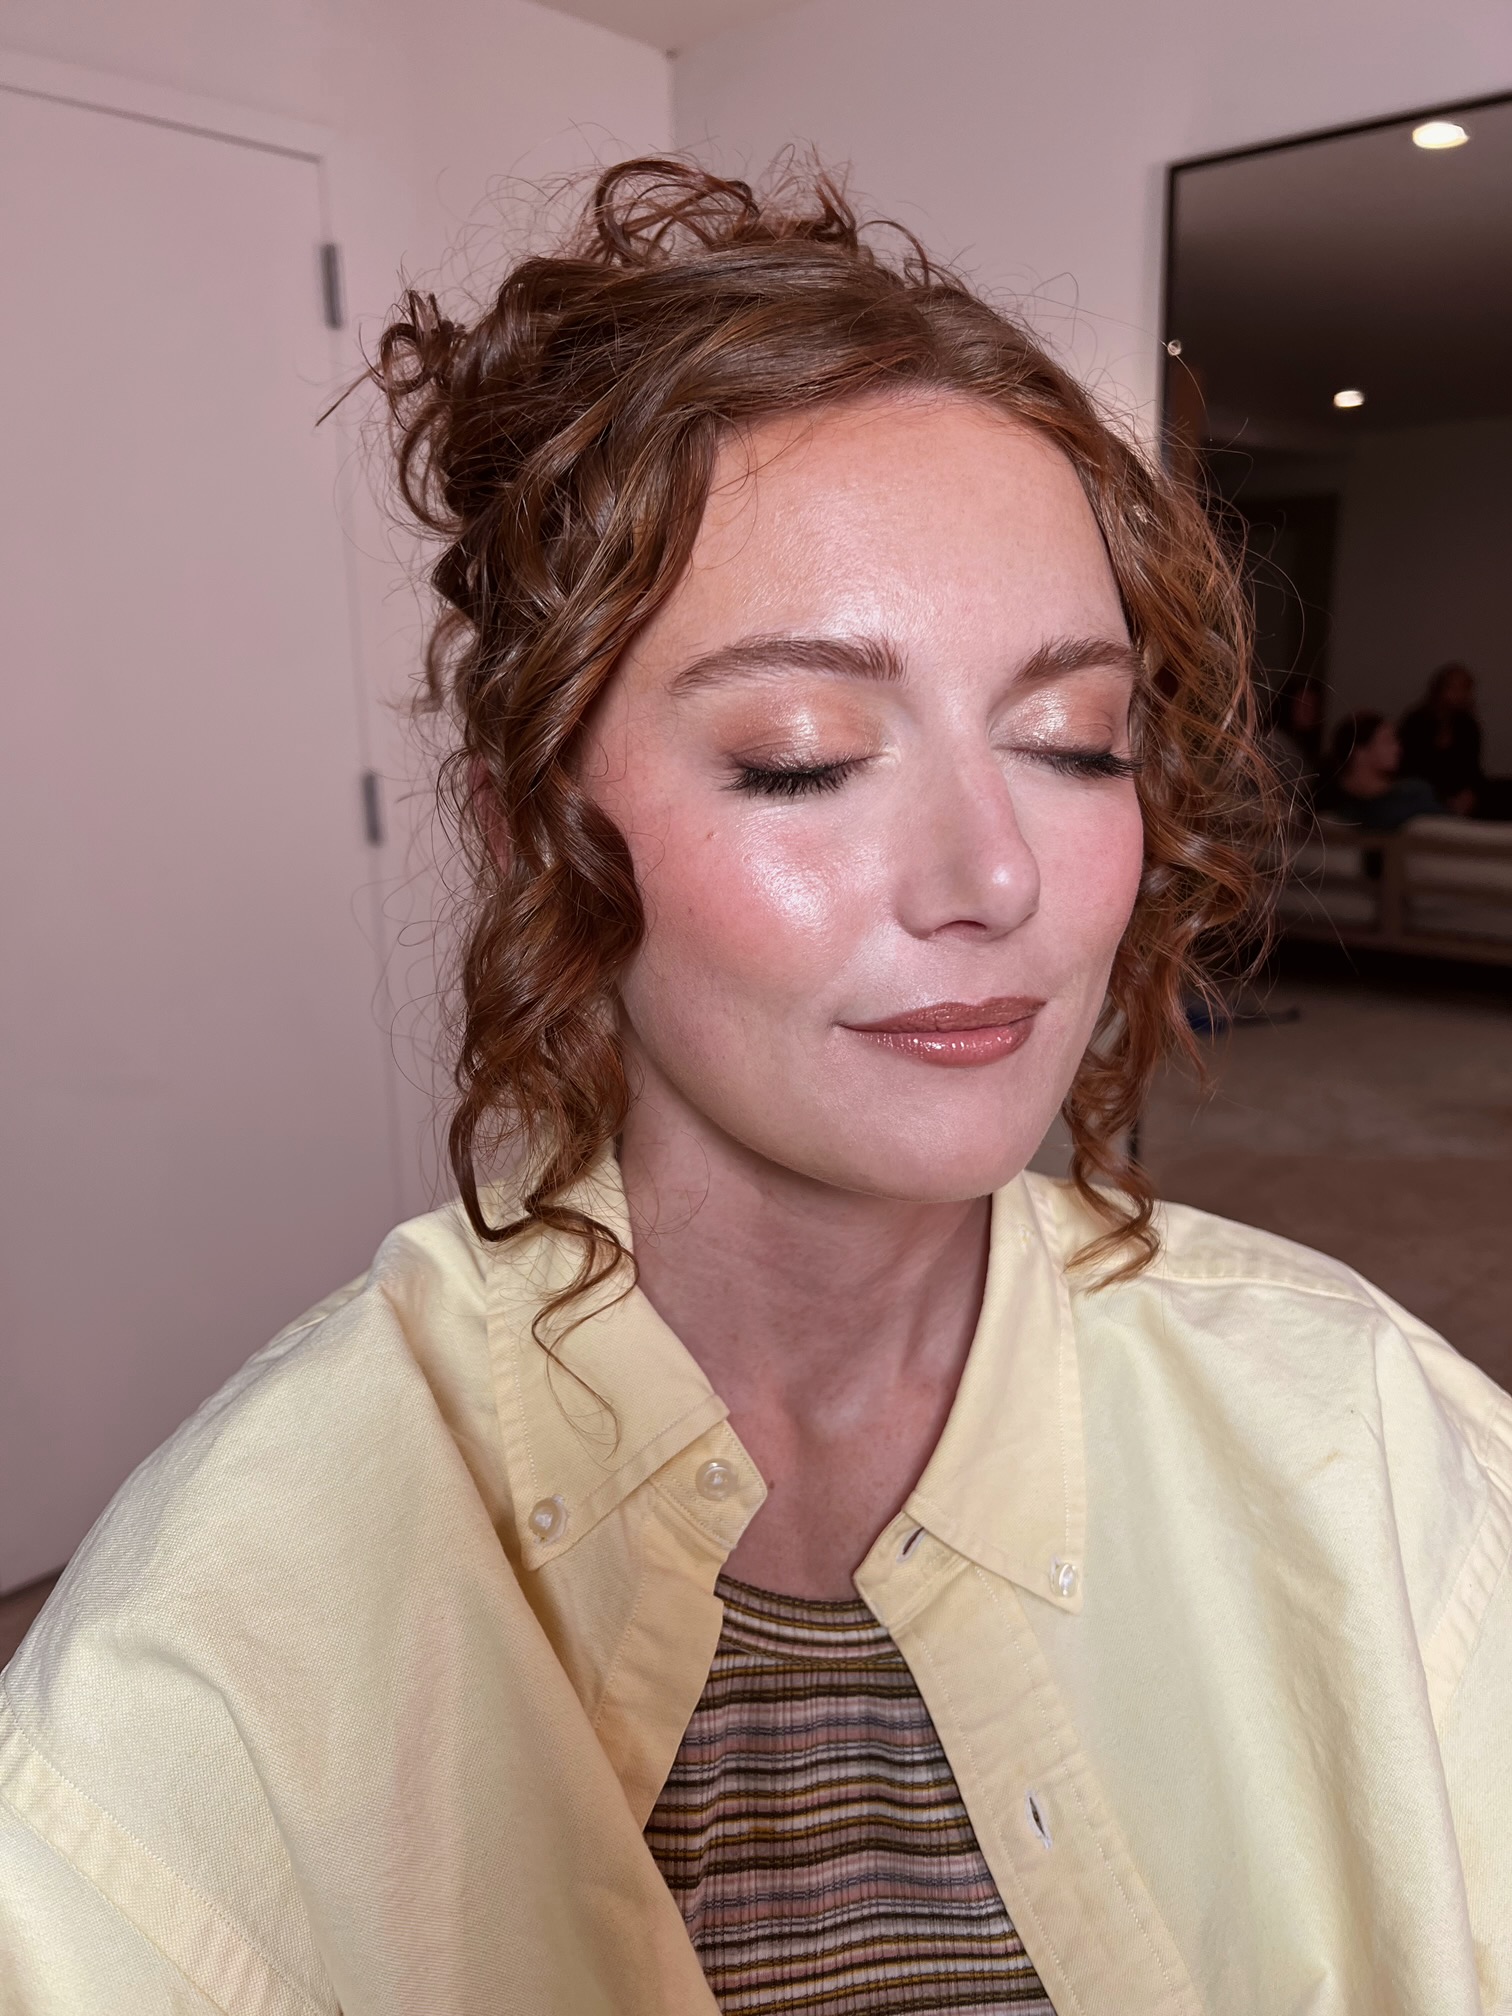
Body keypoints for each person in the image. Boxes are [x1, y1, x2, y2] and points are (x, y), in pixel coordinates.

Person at [1, 160, 1507, 2016]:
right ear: (534, 833)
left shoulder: (1369, 1444)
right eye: (801, 758)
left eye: (1071, 741)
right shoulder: (216, 1649)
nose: (995, 878)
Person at [1320, 708, 1444, 829]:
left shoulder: (1414, 795)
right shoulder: (1328, 795)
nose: (1397, 749)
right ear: (1359, 752)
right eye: (1387, 741)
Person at [1398, 662, 1484, 816]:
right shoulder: (1416, 722)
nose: (1461, 694)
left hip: (1458, 799)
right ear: (1439, 689)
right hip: (1419, 795)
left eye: (1466, 689)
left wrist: (1469, 793)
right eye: (1455, 688)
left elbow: (1472, 768)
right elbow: (1407, 765)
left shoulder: (1468, 726)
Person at [1261, 671, 1324, 813]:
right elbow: (1298, 791)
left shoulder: (1300, 744)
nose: (1309, 712)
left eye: (1313, 707)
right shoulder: (1274, 742)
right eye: (1303, 706)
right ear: (1288, 706)